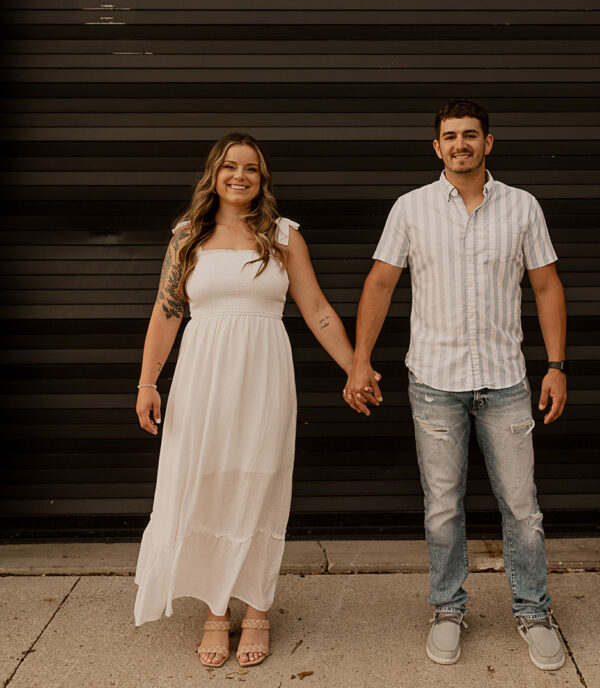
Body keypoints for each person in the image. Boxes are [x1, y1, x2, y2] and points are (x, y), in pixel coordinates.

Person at [134, 132, 378, 668]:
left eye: (250, 168)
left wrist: (354, 367)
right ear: (214, 176)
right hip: (202, 377)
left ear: (261, 179)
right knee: (210, 481)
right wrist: (148, 382)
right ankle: (217, 611)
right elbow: (167, 312)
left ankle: (259, 607)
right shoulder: (186, 236)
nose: (239, 176)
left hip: (264, 374)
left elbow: (314, 307)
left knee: (258, 481)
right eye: (229, 167)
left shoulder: (283, 236)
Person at [344, 100, 568, 671]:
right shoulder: (411, 208)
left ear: (488, 143)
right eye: (450, 136)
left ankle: (534, 612)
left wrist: (557, 364)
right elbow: (380, 283)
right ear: (436, 146)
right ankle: (447, 608)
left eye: (471, 135)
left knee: (522, 507)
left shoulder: (522, 207)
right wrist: (359, 361)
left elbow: (546, 287)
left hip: (506, 381)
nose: (460, 144)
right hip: (435, 383)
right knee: (442, 507)